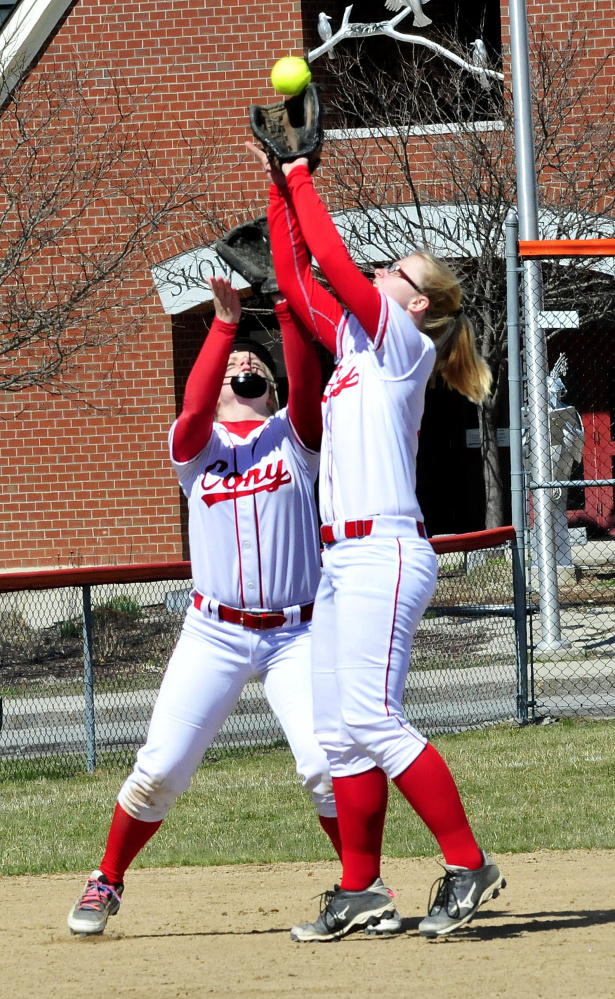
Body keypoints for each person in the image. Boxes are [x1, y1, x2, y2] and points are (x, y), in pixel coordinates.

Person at [247, 141, 505, 941]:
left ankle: (468, 865)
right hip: (340, 560)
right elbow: (296, 279)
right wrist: (274, 180)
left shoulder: (400, 344)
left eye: (397, 269)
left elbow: (327, 259)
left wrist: (299, 174)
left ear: (419, 303)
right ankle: (360, 887)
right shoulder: (360, 346)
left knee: (372, 714)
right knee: (335, 730)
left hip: (386, 551)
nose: (383, 273)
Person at [67, 278, 353, 936]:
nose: (242, 368)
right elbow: (195, 409)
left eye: (253, 366)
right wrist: (223, 329)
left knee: (325, 765)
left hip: (297, 634)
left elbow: (308, 388)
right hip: (213, 633)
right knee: (160, 768)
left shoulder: (294, 439)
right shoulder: (195, 449)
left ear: (271, 388)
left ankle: (361, 882)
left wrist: (283, 310)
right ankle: (105, 878)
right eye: (231, 369)